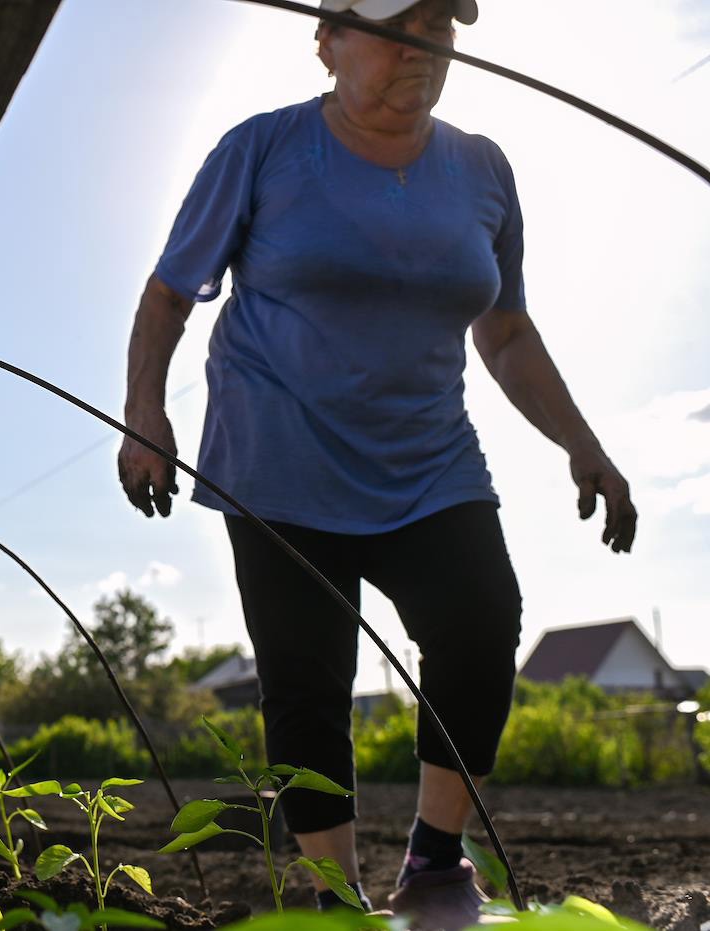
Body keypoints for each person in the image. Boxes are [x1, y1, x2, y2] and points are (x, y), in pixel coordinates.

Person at [117, 0, 637, 926]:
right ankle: (335, 897)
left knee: (481, 625)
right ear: (328, 41)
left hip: (429, 460)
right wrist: (145, 415)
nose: (421, 48)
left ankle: (436, 860)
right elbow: (168, 294)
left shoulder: (482, 169)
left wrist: (583, 444)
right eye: (398, 27)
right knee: (308, 679)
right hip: (279, 460)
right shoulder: (263, 150)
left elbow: (506, 330)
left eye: (440, 28)